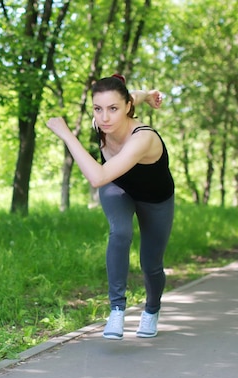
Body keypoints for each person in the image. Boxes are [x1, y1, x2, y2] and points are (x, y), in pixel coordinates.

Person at [46, 74, 174, 339]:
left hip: (155, 198)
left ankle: (151, 310)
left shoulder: (143, 138)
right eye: (98, 109)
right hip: (118, 188)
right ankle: (117, 310)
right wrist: (148, 94)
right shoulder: (103, 121)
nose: (104, 118)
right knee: (120, 232)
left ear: (127, 107)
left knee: (151, 264)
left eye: (113, 108)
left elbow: (97, 176)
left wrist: (67, 135)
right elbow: (133, 95)